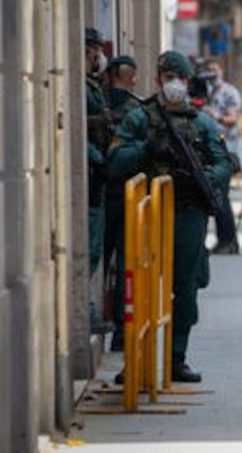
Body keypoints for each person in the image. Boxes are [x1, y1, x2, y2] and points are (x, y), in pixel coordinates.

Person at [108, 51, 233, 383]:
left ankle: (177, 358)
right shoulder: (141, 118)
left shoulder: (203, 123)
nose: (174, 84)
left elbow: (224, 164)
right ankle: (136, 359)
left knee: (186, 286)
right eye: (168, 78)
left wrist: (202, 175)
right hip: (147, 212)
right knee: (141, 285)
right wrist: (147, 149)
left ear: (189, 82)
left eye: (180, 78)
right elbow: (116, 161)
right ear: (158, 80)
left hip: (188, 212)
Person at [102, 54, 140, 349]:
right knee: (126, 264)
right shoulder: (137, 111)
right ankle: (120, 332)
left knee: (99, 258)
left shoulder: (96, 101)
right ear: (130, 78)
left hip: (101, 193)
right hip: (126, 193)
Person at [84, 27, 113, 334]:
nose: (100, 57)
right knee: (90, 245)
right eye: (97, 50)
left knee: (95, 243)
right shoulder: (82, 85)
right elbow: (80, 126)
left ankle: (89, 308)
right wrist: (99, 160)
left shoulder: (92, 84)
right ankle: (87, 309)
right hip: (91, 172)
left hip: (99, 174)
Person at [202, 58, 242, 255]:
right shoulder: (204, 92)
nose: (212, 73)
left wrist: (214, 115)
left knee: (221, 196)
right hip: (208, 150)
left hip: (226, 149)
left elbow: (232, 119)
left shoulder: (229, 92)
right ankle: (224, 241)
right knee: (216, 196)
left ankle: (229, 241)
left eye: (215, 69)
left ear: (222, 70)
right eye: (208, 70)